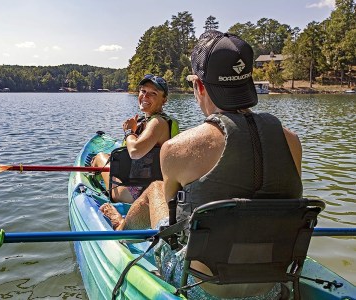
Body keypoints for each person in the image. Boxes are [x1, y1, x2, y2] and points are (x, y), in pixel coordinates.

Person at [100, 30, 302, 299]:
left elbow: (172, 224)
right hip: (271, 285)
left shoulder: (179, 148)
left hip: (202, 289)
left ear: (200, 86)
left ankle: (121, 228)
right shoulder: (292, 140)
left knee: (156, 188)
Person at [91, 74, 179, 204]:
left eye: (153, 93)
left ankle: (91, 183)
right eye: (143, 91)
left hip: (135, 195)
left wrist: (129, 131)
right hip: (148, 188)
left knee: (99, 157)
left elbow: (135, 151)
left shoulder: (158, 122)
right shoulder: (150, 121)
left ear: (164, 100)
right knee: (108, 156)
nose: (145, 96)